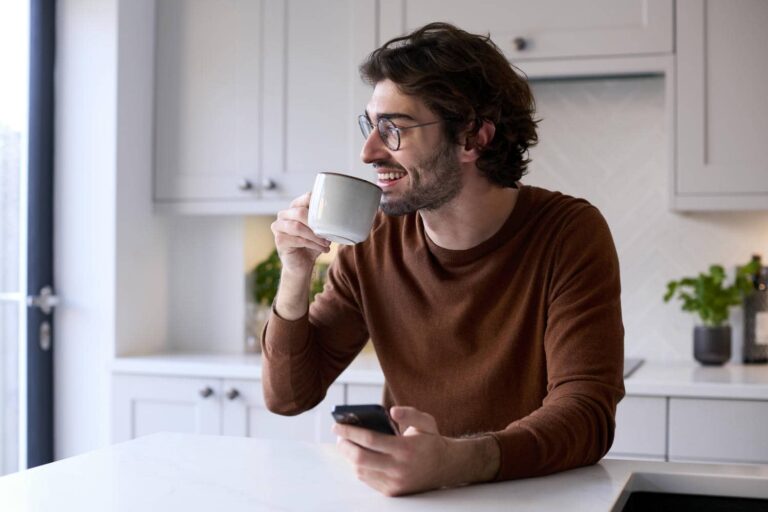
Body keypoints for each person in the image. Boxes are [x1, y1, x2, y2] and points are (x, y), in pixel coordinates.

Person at [263, 22, 624, 496]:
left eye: (393, 129)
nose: (368, 151)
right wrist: (295, 272)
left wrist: (457, 461)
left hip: (535, 497)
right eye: (370, 125)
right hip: (417, 496)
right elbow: (288, 397)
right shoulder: (373, 238)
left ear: (473, 138)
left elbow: (587, 414)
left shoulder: (567, 232)